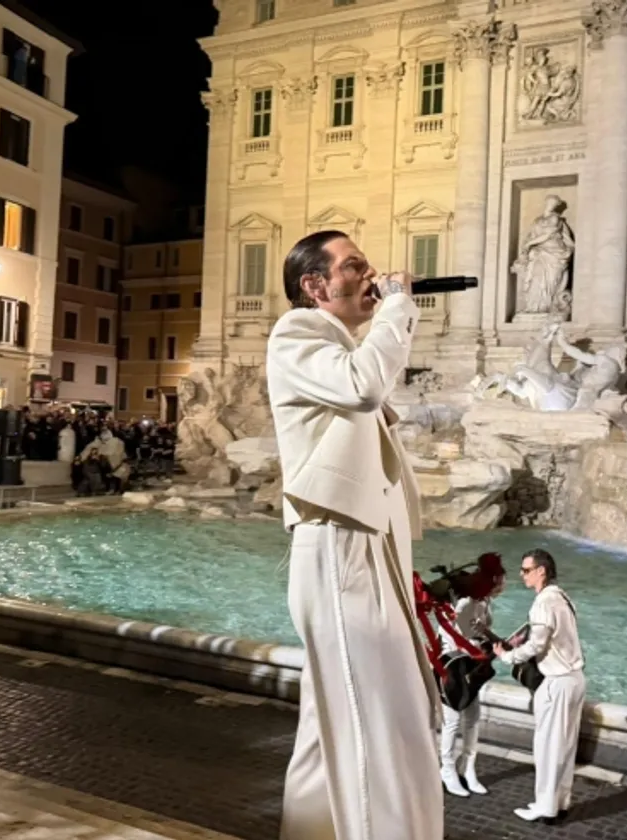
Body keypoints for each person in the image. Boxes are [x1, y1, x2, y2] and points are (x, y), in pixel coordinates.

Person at [266, 230, 443, 840]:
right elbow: (365, 385)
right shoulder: (297, 334)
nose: (372, 275)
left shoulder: (339, 349)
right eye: (355, 266)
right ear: (315, 286)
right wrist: (397, 306)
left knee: (334, 729)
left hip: (360, 548)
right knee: (382, 726)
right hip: (340, 547)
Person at [495, 548, 586, 824]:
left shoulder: (543, 603)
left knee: (547, 747)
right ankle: (561, 802)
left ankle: (545, 807)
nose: (522, 575)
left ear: (541, 571)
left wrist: (507, 656)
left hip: (557, 683)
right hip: (576, 680)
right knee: (566, 746)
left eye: (526, 570)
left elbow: (537, 644)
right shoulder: (563, 598)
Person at [438, 553, 506, 797]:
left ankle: (467, 767)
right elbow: (453, 635)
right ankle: (446, 769)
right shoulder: (464, 602)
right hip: (452, 665)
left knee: (473, 716)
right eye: (500, 580)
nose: (503, 585)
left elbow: (479, 630)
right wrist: (476, 648)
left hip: (470, 665)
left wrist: (499, 642)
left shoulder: (484, 602)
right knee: (452, 720)